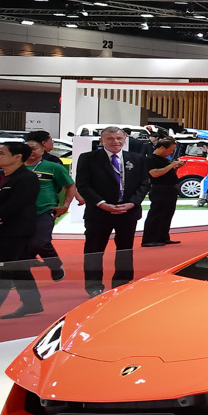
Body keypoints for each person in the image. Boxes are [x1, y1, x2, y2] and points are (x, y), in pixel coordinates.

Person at [73, 126, 144, 295]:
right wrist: (101, 203)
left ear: (124, 139)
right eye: (110, 138)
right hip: (99, 212)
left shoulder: (137, 158)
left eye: (119, 138)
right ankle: (94, 286)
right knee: (94, 250)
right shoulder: (88, 158)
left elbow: (144, 184)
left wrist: (132, 203)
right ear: (102, 140)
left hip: (127, 212)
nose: (115, 142)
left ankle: (122, 283)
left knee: (125, 250)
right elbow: (83, 185)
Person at [0, 140, 42, 325]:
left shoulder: (28, 178)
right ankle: (32, 302)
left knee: (1, 270)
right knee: (17, 267)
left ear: (17, 157)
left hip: (15, 232)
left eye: (1, 153)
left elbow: (16, 205)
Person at [22, 132, 70, 281]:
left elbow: (70, 185)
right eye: (27, 149)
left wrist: (65, 205)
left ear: (42, 150)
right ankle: (20, 276)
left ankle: (54, 265)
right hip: (19, 213)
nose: (31, 152)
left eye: (34, 149)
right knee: (20, 245)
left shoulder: (53, 166)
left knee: (41, 242)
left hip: (44, 210)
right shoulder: (15, 167)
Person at [141, 134, 183, 247]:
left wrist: (175, 167)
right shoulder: (150, 159)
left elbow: (166, 172)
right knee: (157, 214)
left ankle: (163, 237)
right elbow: (155, 173)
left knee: (167, 214)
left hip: (170, 189)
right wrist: (172, 165)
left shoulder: (163, 159)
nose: (171, 153)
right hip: (159, 189)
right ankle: (149, 239)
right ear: (162, 147)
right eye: (170, 150)